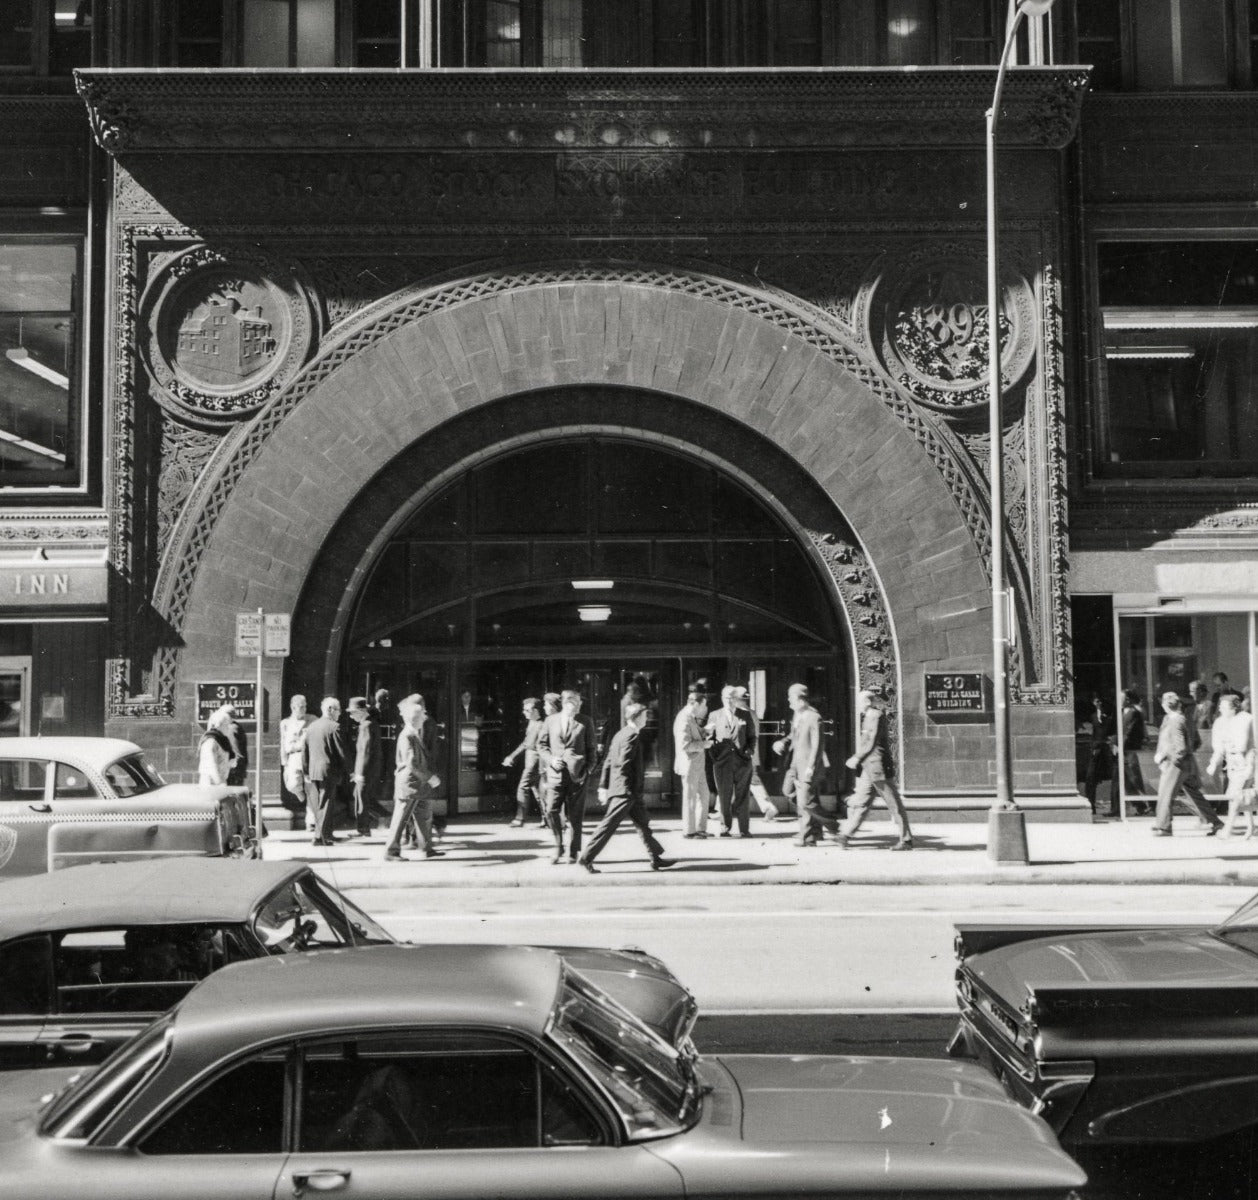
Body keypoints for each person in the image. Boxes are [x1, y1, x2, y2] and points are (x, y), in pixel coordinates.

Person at [579, 702, 671, 874]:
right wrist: (626, 790)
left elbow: (608, 761)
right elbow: (622, 764)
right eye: (644, 716)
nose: (647, 718)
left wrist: (603, 785)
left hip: (627, 791)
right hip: (626, 791)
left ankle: (655, 858)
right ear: (636, 718)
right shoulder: (631, 736)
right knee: (608, 825)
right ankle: (586, 857)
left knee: (643, 824)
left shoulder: (620, 734)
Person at [836, 689, 912, 851]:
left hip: (879, 767)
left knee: (894, 804)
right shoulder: (867, 717)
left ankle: (906, 840)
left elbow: (871, 741)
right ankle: (846, 835)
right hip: (868, 769)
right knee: (862, 802)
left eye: (859, 702)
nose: (857, 705)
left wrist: (857, 757)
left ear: (867, 702)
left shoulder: (875, 716)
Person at [537, 689, 597, 864]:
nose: (578, 705)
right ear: (564, 703)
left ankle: (573, 851)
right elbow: (541, 745)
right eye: (574, 701)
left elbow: (592, 749)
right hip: (556, 775)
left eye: (579, 702)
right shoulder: (550, 720)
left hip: (578, 776)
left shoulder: (585, 721)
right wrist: (550, 760)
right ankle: (558, 846)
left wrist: (588, 771)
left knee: (576, 815)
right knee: (551, 810)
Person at [1152, 692, 1222, 837]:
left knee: (1166, 794)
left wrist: (1171, 760)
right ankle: (1214, 822)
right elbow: (1195, 742)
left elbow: (1180, 746)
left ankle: (1164, 826)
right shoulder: (1180, 719)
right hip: (1185, 763)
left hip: (1175, 764)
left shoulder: (1175, 720)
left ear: (1167, 704)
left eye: (1163, 703)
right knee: (1194, 794)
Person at [775, 683, 835, 847]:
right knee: (789, 791)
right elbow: (793, 736)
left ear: (801, 699)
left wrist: (811, 767)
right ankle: (815, 829)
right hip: (795, 763)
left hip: (807, 765)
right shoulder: (797, 715)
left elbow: (818, 745)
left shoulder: (814, 717)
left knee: (806, 801)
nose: (788, 701)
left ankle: (818, 833)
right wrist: (782, 742)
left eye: (791, 698)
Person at [385, 694, 443, 861]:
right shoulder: (408, 735)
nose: (425, 718)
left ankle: (427, 848)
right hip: (410, 784)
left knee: (424, 816)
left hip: (417, 784)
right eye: (421, 716)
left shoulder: (412, 733)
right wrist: (430, 778)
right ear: (414, 718)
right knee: (400, 819)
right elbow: (412, 764)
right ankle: (391, 852)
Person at [705, 684, 755, 838]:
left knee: (743, 796)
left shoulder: (745, 715)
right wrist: (716, 757)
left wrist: (749, 751)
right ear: (722, 698)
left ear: (736, 699)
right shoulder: (714, 715)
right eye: (727, 697)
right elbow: (709, 738)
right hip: (722, 763)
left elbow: (752, 736)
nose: (730, 700)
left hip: (743, 762)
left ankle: (744, 829)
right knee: (724, 796)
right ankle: (725, 827)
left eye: (733, 697)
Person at [1208, 693, 1257, 838]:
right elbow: (1218, 747)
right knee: (1243, 795)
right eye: (1220, 707)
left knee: (1235, 797)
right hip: (1232, 764)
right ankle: (1251, 827)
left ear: (1234, 707)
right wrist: (1213, 763)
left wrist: (1228, 744)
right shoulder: (1220, 722)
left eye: (1224, 707)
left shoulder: (1246, 719)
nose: (1220, 709)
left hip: (1246, 763)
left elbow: (1242, 745)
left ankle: (1228, 829)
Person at [303, 696, 348, 846]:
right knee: (326, 803)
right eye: (338, 710)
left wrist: (306, 771)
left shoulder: (312, 726)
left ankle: (326, 833)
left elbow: (305, 751)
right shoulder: (334, 727)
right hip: (328, 770)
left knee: (321, 803)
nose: (340, 713)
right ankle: (320, 837)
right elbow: (341, 751)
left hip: (314, 771)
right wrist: (351, 770)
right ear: (330, 710)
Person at [672, 686, 710, 838]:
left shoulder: (690, 717)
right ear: (695, 703)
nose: (705, 708)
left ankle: (700, 828)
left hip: (696, 764)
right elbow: (685, 745)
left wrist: (705, 731)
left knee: (704, 795)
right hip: (689, 764)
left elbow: (693, 736)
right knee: (690, 798)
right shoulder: (684, 718)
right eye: (704, 705)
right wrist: (704, 745)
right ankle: (689, 831)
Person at [502, 697, 544, 827]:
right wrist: (512, 756)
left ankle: (520, 819)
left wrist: (512, 756)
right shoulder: (532, 723)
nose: (524, 712)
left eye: (527, 710)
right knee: (537, 791)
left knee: (523, 787)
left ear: (536, 711)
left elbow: (532, 745)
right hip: (530, 758)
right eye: (524, 709)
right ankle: (547, 819)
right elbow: (526, 743)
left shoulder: (541, 725)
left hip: (535, 759)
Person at [347, 696, 382, 837]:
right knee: (361, 796)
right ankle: (364, 827)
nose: (350, 716)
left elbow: (365, 751)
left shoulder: (366, 726)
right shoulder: (368, 724)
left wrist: (359, 773)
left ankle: (363, 829)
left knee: (362, 797)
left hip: (366, 770)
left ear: (361, 711)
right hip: (367, 769)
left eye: (353, 712)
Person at [280, 694, 314, 831]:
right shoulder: (285, 723)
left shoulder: (312, 720)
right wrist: (284, 761)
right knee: (292, 784)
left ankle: (310, 822)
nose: (304, 709)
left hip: (308, 756)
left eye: (305, 706)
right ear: (293, 707)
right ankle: (302, 796)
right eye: (301, 707)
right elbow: (283, 743)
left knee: (311, 788)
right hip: (293, 756)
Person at [1082, 694, 1115, 815]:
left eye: (1100, 701)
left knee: (1114, 776)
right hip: (1095, 750)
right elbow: (1091, 732)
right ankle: (1091, 805)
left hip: (1105, 749)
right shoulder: (1092, 716)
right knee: (1091, 778)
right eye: (1096, 701)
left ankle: (1116, 807)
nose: (1098, 703)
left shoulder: (1108, 715)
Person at [1120, 687, 1151, 816]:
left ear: (1127, 699)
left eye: (1121, 697)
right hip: (1126, 750)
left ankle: (1148, 804)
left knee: (1135, 778)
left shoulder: (1133, 712)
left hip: (1130, 750)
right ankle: (1140, 806)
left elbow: (1129, 732)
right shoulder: (1124, 712)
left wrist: (1120, 746)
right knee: (1127, 780)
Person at [197, 705, 235, 787]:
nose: (229, 728)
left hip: (221, 782)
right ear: (219, 725)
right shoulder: (210, 741)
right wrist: (220, 783)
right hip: (211, 784)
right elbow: (211, 765)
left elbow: (228, 760)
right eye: (226, 725)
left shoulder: (222, 741)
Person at [224, 707, 249, 788]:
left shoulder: (231, 728)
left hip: (234, 767)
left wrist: (233, 766)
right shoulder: (236, 726)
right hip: (238, 766)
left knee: (232, 794)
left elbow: (236, 750)